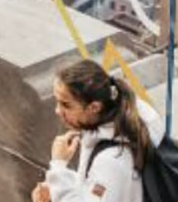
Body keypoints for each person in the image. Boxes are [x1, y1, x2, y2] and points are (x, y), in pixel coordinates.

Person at [32, 59, 162, 202]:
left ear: (94, 107)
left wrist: (58, 166)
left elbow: (107, 179)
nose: (58, 111)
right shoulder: (128, 118)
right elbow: (102, 189)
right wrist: (56, 186)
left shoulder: (112, 159)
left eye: (66, 105)